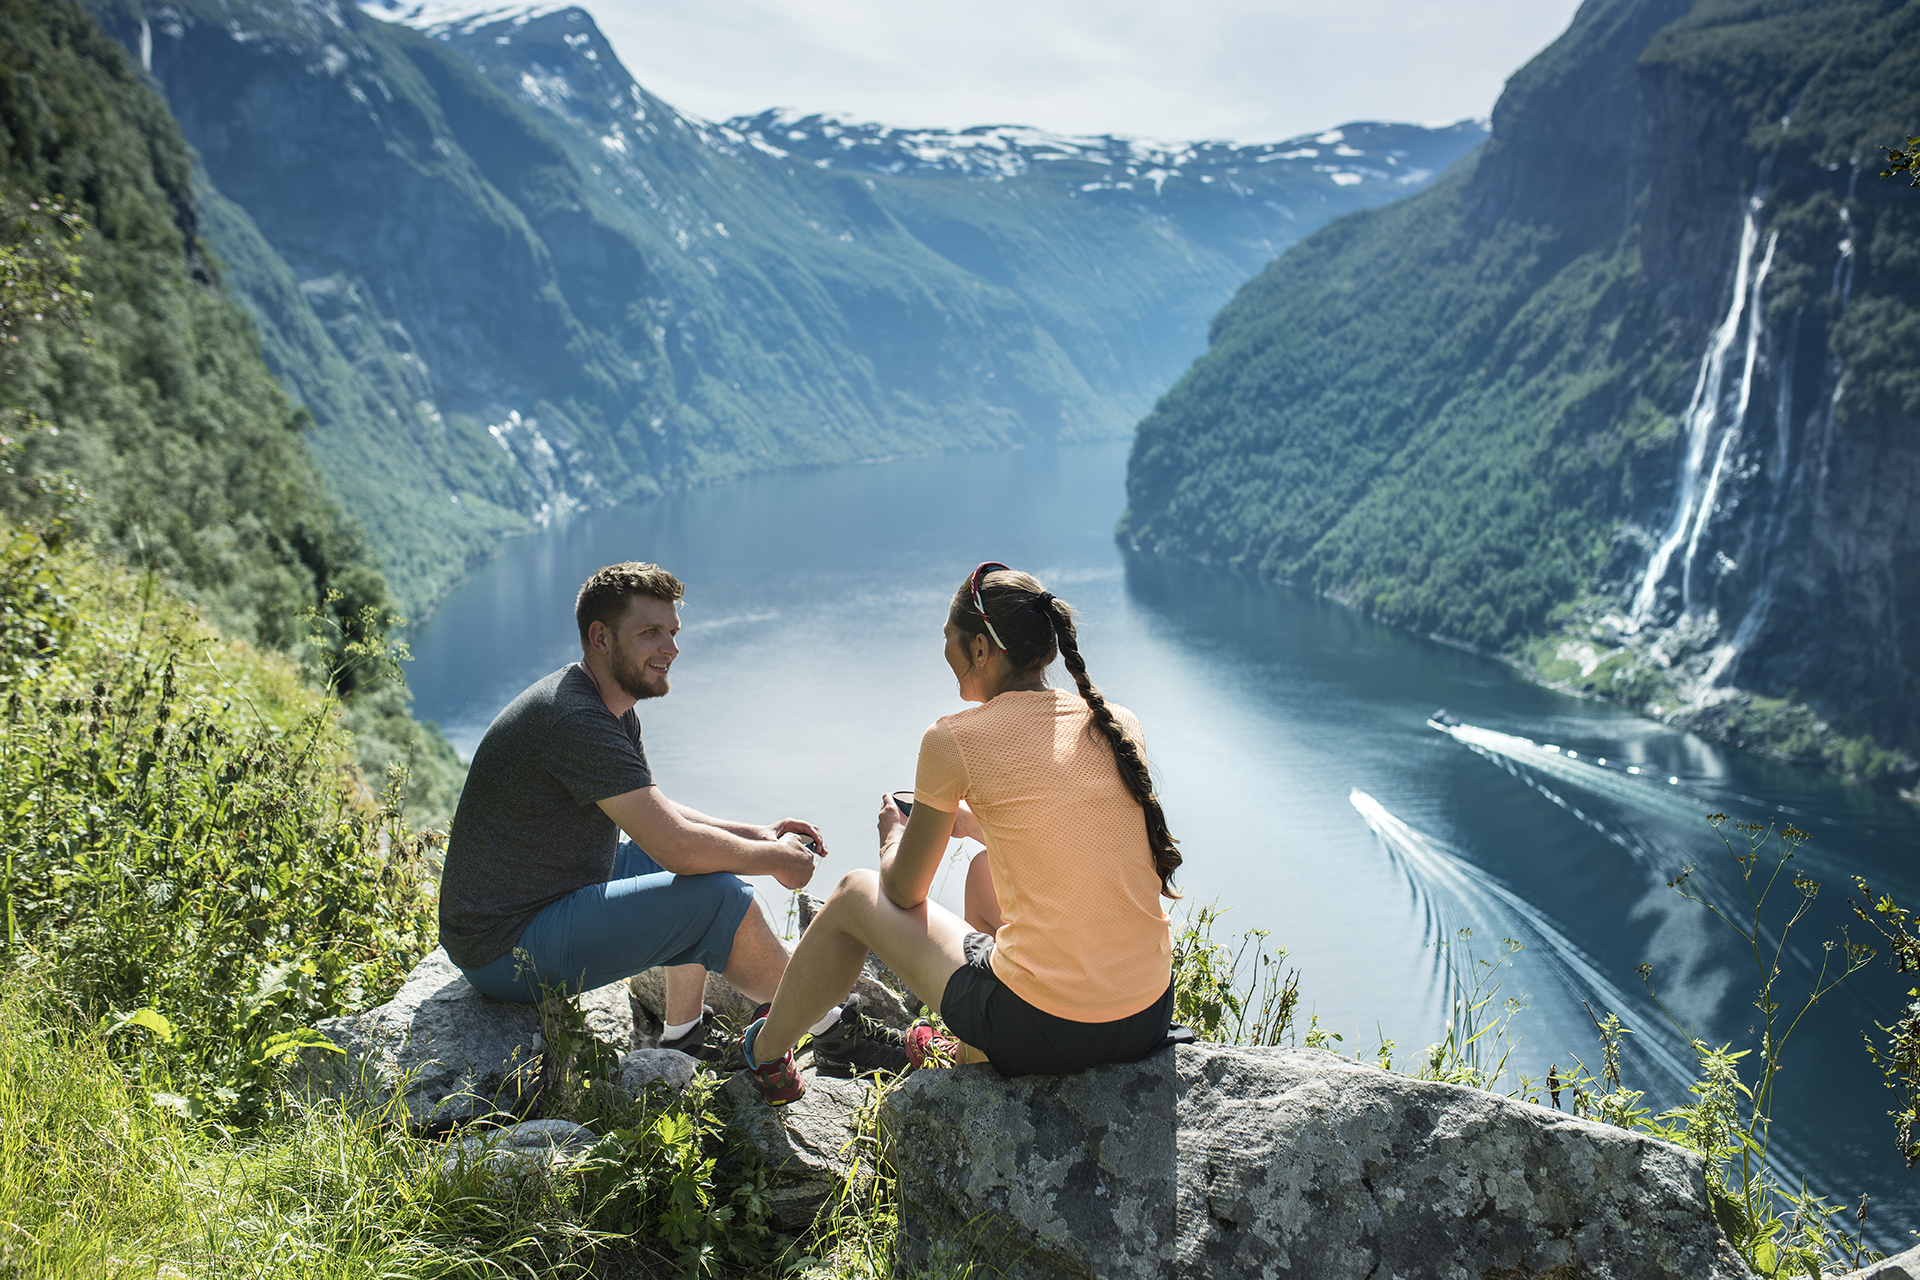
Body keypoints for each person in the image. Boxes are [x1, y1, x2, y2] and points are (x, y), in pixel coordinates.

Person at [739, 562, 1184, 1104]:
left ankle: (765, 1055)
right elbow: (1058, 824)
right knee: (981, 872)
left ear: (980, 649)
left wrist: (893, 837)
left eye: (948, 640)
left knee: (856, 893)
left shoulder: (954, 739)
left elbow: (903, 892)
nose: (944, 653)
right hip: (1146, 1015)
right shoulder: (1114, 721)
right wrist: (967, 825)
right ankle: (967, 1047)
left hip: (1052, 1032)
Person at [438, 561, 851, 1059]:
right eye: (651, 632)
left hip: (546, 896)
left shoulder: (607, 703)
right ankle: (833, 1030)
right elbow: (678, 847)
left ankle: (683, 1037)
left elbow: (652, 808)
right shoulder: (574, 717)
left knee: (699, 864)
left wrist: (758, 833)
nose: (671, 648)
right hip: (505, 947)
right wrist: (778, 860)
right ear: (601, 637)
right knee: (719, 896)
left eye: (673, 632)